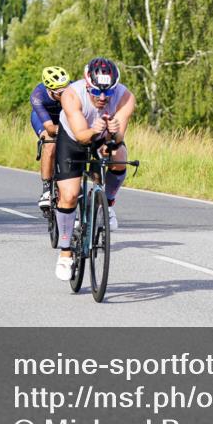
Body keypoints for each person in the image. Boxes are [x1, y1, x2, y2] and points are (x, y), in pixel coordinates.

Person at [52, 57, 136, 280]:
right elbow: (81, 135)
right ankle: (65, 252)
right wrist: (94, 130)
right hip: (73, 138)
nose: (101, 98)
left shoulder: (126, 97)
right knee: (69, 195)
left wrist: (114, 132)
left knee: (119, 156)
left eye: (107, 93)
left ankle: (107, 204)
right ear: (86, 84)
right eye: (96, 92)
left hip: (102, 135)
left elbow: (117, 139)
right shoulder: (71, 94)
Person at [30, 66, 71, 209]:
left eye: (66, 89)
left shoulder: (72, 90)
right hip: (44, 119)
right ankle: (46, 189)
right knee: (50, 142)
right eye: (61, 93)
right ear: (50, 90)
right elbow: (51, 128)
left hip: (63, 117)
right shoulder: (38, 95)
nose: (65, 94)